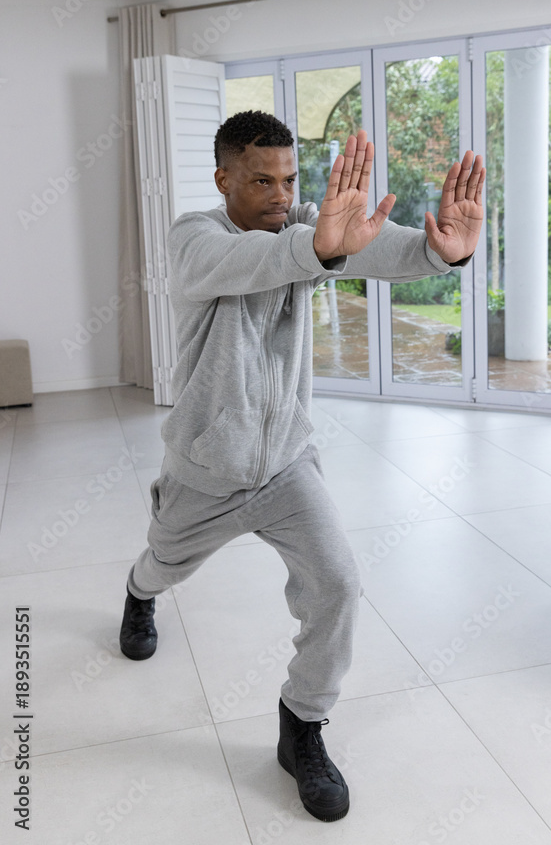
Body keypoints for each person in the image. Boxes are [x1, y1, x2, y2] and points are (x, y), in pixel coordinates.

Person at [119, 110, 485, 822]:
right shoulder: (194, 237)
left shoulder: (309, 227)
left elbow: (378, 247)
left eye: (289, 179)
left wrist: (442, 253)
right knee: (162, 563)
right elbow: (255, 263)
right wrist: (317, 248)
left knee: (338, 584)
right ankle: (138, 593)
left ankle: (302, 727)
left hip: (287, 465)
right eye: (262, 181)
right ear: (223, 178)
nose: (281, 195)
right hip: (205, 468)